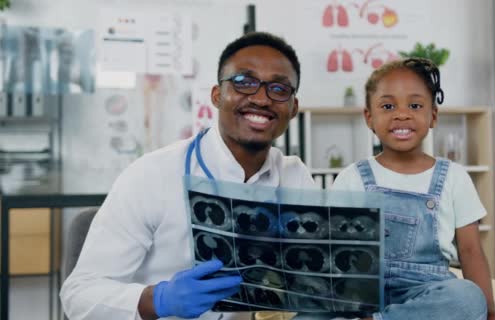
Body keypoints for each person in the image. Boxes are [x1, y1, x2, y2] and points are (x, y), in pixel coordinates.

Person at [60, 31, 315, 320]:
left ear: (293, 107)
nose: (261, 98)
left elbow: (316, 278)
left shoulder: (295, 178)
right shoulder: (152, 175)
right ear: (217, 96)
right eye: (244, 82)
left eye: (279, 89)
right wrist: (157, 299)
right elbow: (78, 295)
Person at [322, 58, 495, 320]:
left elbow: (470, 250)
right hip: (363, 292)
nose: (402, 114)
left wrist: (487, 309)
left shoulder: (453, 177)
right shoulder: (351, 178)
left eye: (415, 105)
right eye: (388, 106)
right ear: (369, 117)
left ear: (432, 115)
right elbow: (334, 250)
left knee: (467, 298)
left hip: (426, 290)